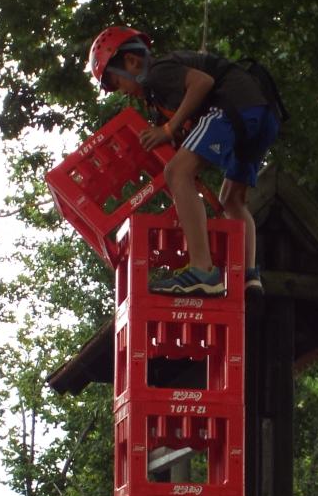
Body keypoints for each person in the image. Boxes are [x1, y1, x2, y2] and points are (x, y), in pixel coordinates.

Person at [89, 26, 282, 297]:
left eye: (117, 82)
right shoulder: (159, 98)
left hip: (234, 105)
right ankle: (249, 277)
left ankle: (202, 271)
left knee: (177, 173)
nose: (122, 92)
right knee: (231, 200)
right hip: (262, 115)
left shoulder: (157, 73)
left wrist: (168, 130)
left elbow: (202, 83)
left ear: (131, 62)